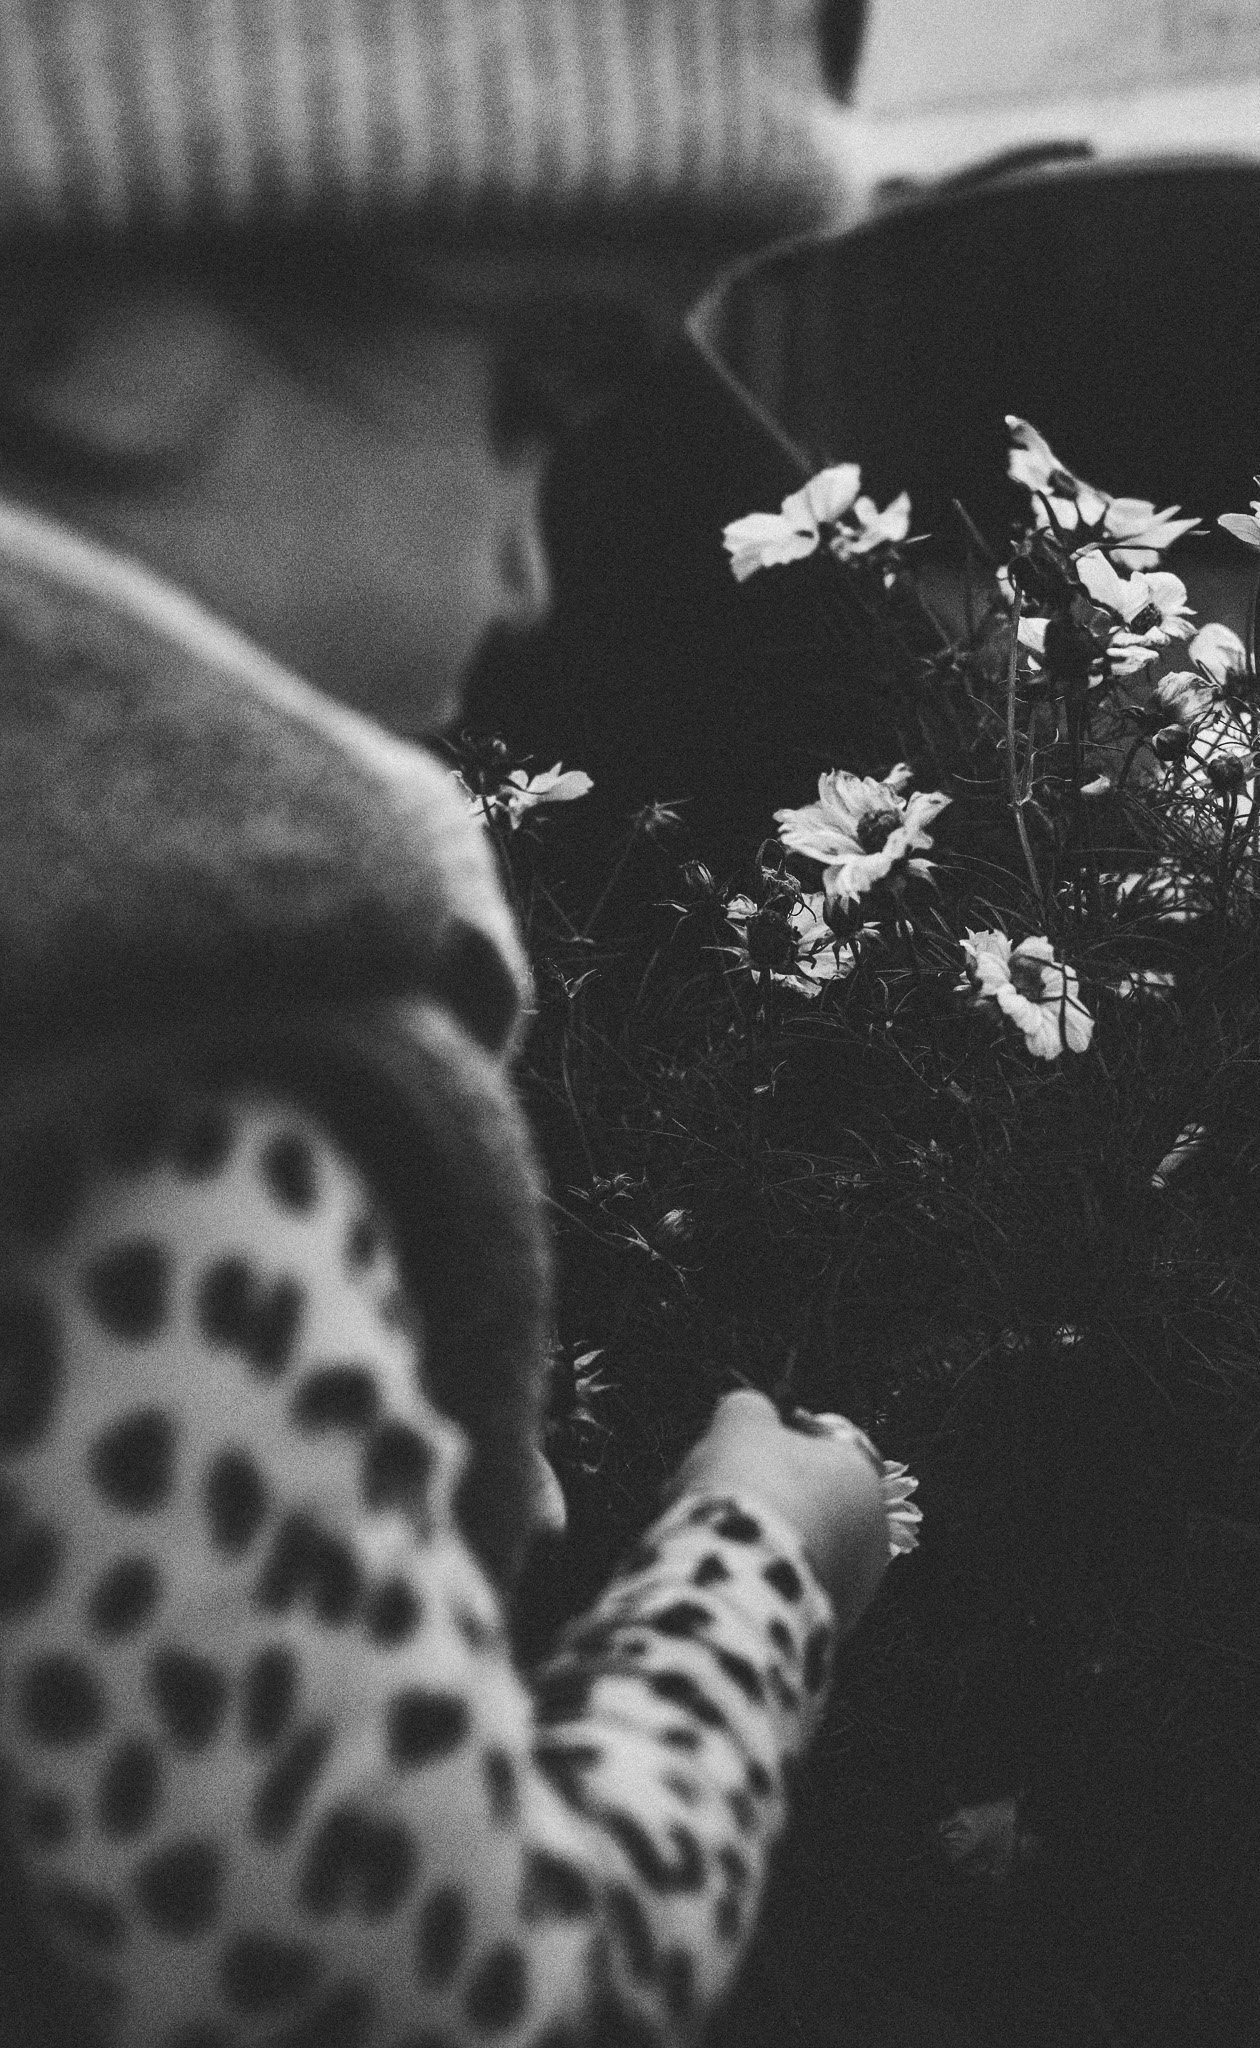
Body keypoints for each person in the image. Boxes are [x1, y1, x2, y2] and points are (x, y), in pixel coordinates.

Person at [0, 5, 900, 2045]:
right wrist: (753, 1569)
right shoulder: (175, 1088)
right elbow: (435, 1997)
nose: (529, 562)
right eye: (529, 403)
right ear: (101, 331)